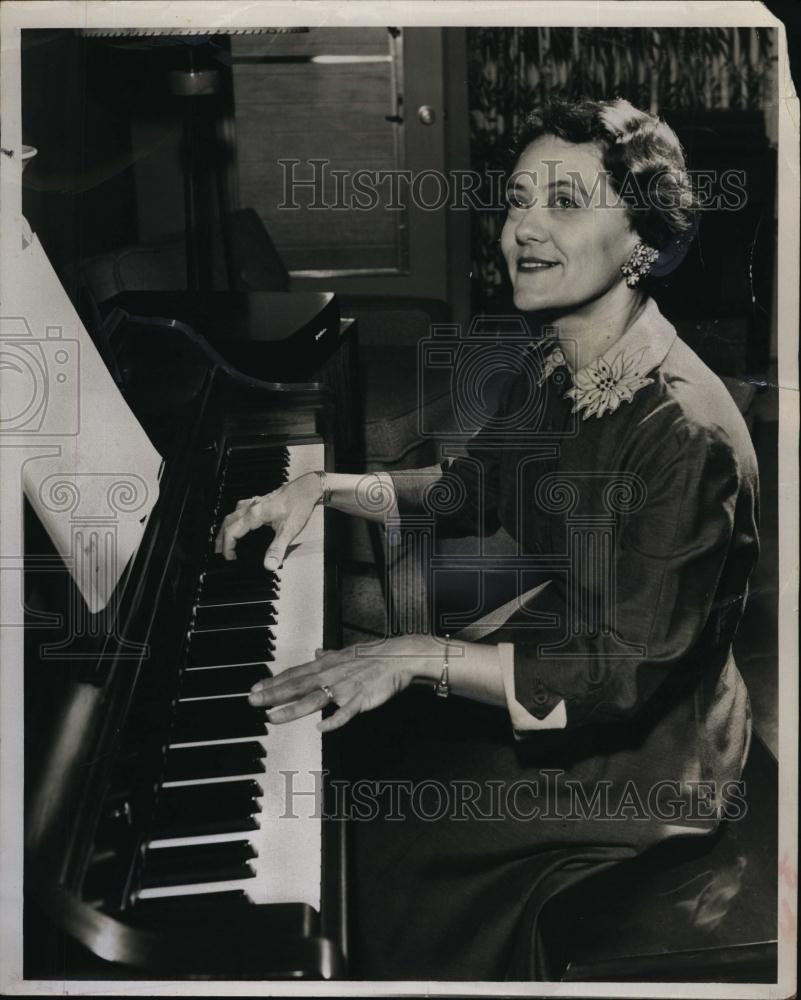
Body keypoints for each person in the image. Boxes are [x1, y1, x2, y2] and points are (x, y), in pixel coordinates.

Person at [215, 98, 759, 981]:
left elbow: (622, 671)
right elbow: (465, 492)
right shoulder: (558, 362)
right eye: (515, 200)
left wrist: (421, 653)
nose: (523, 230)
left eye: (566, 203)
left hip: (654, 753)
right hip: (562, 657)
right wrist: (322, 488)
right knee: (351, 759)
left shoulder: (682, 431)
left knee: (384, 833)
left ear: (643, 245)